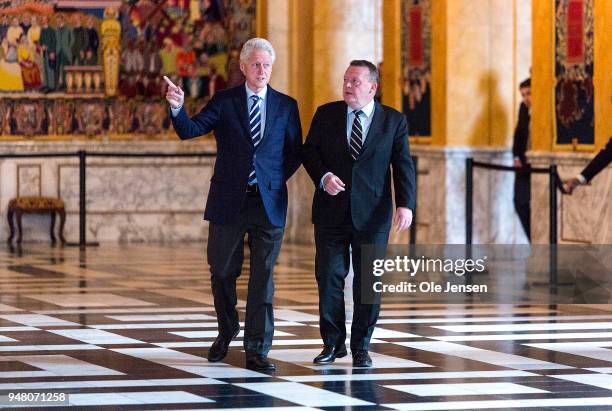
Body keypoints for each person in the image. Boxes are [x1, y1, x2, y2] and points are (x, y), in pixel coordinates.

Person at [165, 37, 302, 371]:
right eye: (255, 64)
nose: (262, 70)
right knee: (222, 270)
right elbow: (189, 129)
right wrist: (177, 107)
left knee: (263, 278)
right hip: (229, 201)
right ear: (243, 67)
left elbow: (295, 151)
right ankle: (227, 327)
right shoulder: (225, 101)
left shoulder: (286, 105)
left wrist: (270, 179)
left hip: (268, 203)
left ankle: (257, 349)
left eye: (267, 65)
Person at [301, 60, 416, 368]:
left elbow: (402, 164)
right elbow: (308, 151)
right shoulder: (326, 114)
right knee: (329, 278)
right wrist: (323, 177)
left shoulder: (393, 121)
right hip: (330, 213)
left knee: (368, 283)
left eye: (355, 81)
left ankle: (361, 346)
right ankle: (333, 344)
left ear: (372, 87)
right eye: (346, 80)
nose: (348, 86)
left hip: (373, 215)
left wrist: (406, 204)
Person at [512, 78, 531, 241]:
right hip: (523, 165)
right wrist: (515, 156)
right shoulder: (523, 109)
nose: (526, 98)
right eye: (523, 95)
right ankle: (533, 239)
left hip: (537, 164)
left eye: (529, 93)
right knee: (520, 203)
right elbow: (518, 134)